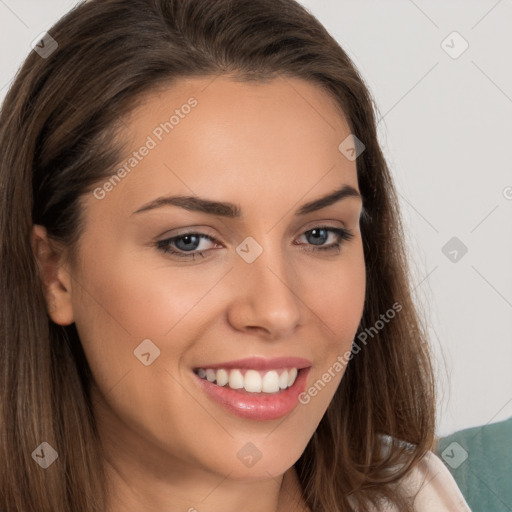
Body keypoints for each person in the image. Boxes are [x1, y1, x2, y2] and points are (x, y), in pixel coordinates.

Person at [0, 0, 471, 510]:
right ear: (54, 274)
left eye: (318, 235)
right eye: (191, 242)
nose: (277, 310)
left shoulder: (435, 491)